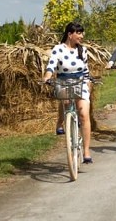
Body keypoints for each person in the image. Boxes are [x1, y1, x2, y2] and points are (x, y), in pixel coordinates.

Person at [43, 21, 94, 164]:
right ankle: (60, 123)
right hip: (63, 81)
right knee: (65, 101)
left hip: (80, 81)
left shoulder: (82, 50)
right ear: (70, 34)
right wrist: (47, 76)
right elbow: (51, 65)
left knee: (84, 114)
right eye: (79, 33)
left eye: (82, 33)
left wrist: (89, 81)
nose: (82, 36)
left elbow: (85, 69)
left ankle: (86, 151)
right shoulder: (58, 49)